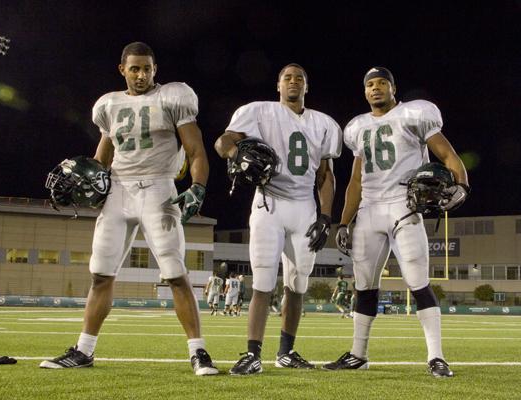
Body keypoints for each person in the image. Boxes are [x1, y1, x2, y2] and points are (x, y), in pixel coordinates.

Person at [40, 42, 218, 376]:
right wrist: (87, 180)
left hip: (158, 188)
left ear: (155, 69)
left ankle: (199, 352)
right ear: (122, 69)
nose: (141, 75)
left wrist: (198, 187)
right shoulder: (109, 104)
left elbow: (195, 150)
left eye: (147, 68)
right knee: (100, 273)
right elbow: (103, 155)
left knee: (176, 274)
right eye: (134, 68)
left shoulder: (172, 97)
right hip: (119, 191)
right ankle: (84, 350)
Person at [323, 67, 469, 378]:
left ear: (393, 88)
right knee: (364, 288)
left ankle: (436, 357)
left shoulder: (413, 114)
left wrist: (463, 184)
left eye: (382, 84)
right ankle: (358, 354)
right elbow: (356, 180)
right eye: (370, 85)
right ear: (365, 92)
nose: (375, 89)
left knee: (418, 283)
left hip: (404, 206)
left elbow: (447, 153)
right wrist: (344, 222)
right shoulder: (357, 127)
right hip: (370, 210)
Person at [215, 63, 342, 374]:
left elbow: (326, 175)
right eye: (288, 77)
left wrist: (326, 216)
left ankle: (286, 352)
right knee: (262, 281)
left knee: (298, 285)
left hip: (304, 209)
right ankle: (252, 354)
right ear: (278, 85)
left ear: (306, 87)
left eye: (300, 78)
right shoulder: (258, 111)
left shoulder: (324, 123)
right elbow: (222, 142)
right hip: (268, 204)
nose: (294, 82)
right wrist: (236, 155)